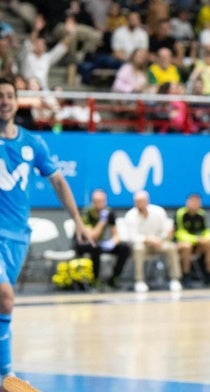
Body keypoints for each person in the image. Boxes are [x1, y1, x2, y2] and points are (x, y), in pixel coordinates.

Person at [0, 77, 91, 391]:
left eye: (9, 95)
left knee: (2, 303)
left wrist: (78, 222)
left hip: (17, 237)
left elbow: (59, 183)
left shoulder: (32, 143)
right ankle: (6, 377)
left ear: (17, 101)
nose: (4, 100)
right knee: (6, 298)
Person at [124, 191, 182, 293]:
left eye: (142, 201)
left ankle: (175, 279)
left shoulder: (159, 211)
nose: (139, 204)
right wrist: (147, 239)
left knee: (171, 247)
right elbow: (132, 236)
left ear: (147, 201)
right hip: (143, 245)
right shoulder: (130, 215)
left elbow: (166, 229)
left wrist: (160, 239)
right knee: (138, 248)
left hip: (159, 243)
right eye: (137, 201)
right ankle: (139, 281)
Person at [74, 189, 131, 289]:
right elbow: (91, 236)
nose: (100, 204)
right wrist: (102, 221)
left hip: (99, 244)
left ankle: (113, 278)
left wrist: (112, 242)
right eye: (97, 201)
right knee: (95, 247)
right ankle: (95, 280)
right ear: (93, 202)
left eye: (102, 201)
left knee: (124, 248)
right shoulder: (86, 212)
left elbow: (116, 234)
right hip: (83, 243)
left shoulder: (109, 212)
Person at [174, 194, 210, 287]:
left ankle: (208, 275)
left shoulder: (201, 214)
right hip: (182, 244)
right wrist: (196, 239)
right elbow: (179, 233)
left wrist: (206, 239)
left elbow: (208, 231)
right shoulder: (180, 213)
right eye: (192, 201)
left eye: (197, 202)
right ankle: (185, 275)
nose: (195, 204)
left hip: (198, 245)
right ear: (187, 202)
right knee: (187, 246)